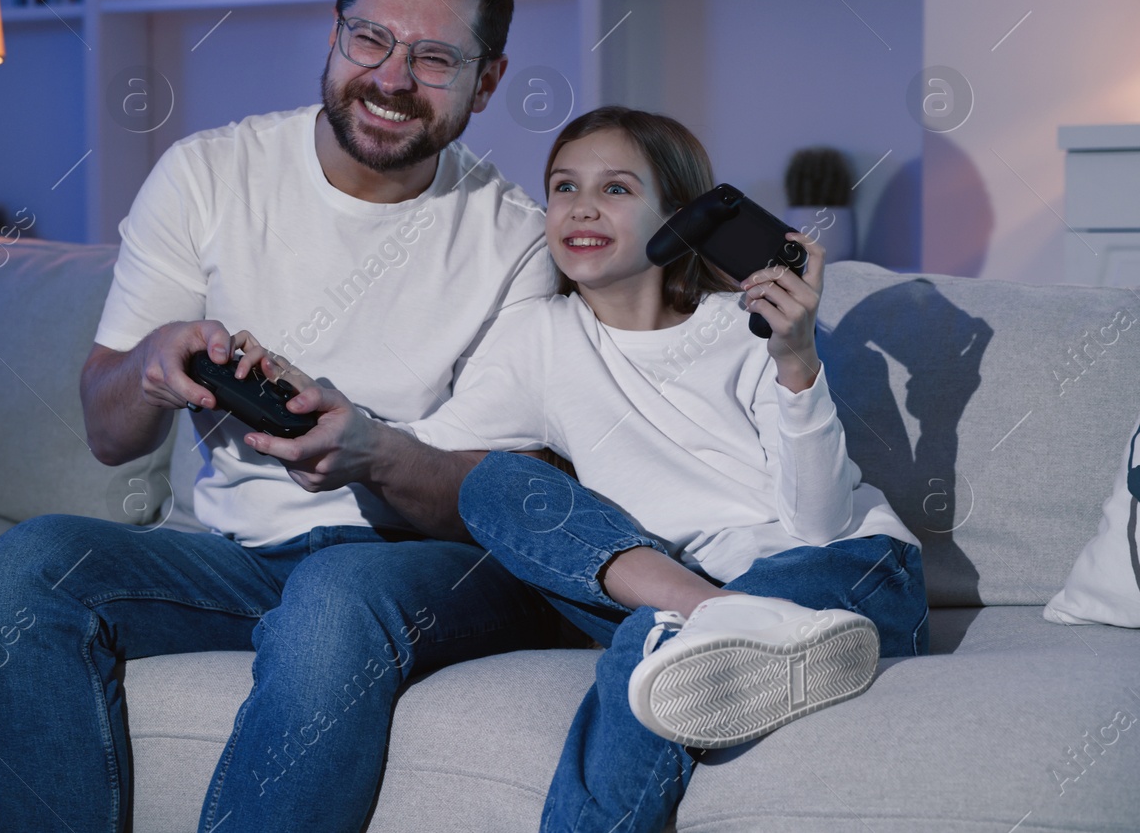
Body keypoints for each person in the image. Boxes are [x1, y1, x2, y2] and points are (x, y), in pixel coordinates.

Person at [0, 0, 568, 833]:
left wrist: (370, 449)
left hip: (425, 566)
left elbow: (494, 501)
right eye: (369, 38)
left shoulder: (518, 241)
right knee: (28, 564)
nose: (391, 79)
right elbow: (107, 429)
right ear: (334, 34)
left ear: (486, 83)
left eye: (435, 59)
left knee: (336, 592)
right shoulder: (207, 174)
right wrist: (154, 370)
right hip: (236, 559)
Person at [242, 106, 929, 833]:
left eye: (617, 189)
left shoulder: (749, 325)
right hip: (684, 591)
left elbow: (819, 523)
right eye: (564, 186)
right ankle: (719, 620)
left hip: (842, 568)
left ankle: (738, 626)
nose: (582, 206)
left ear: (682, 216)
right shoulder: (539, 337)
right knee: (496, 484)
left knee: (651, 644)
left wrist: (794, 357)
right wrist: (335, 419)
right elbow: (427, 449)